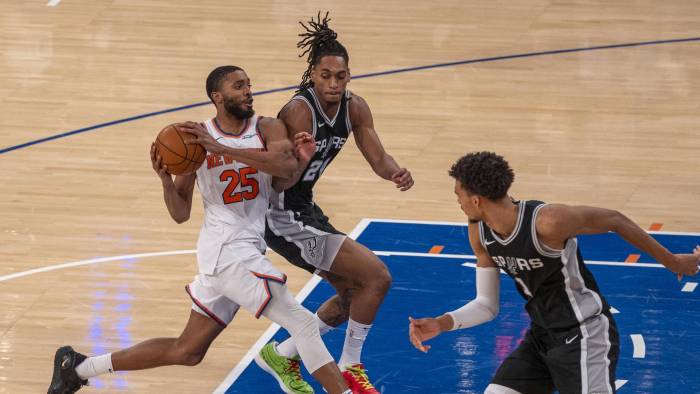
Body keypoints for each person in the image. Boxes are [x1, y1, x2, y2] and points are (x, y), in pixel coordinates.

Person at [47, 65, 352, 394]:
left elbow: (282, 173)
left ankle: (77, 368)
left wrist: (290, 159)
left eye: (248, 84)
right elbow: (180, 213)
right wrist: (166, 182)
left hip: (245, 246)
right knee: (302, 322)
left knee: (188, 350)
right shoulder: (193, 140)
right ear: (218, 97)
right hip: (226, 251)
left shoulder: (267, 127)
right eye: (238, 86)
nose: (248, 91)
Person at [407, 151, 700, 394]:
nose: (456, 201)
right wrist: (441, 323)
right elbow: (486, 305)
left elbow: (614, 219)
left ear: (476, 200)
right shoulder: (480, 234)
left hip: (585, 333)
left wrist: (673, 261)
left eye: (458, 194)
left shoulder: (547, 222)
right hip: (541, 337)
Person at [254, 12, 414, 394]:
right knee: (377, 276)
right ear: (312, 74)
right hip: (279, 215)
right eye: (325, 75)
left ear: (348, 76)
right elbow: (279, 176)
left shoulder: (355, 107)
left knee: (353, 295)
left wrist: (394, 172)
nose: (333, 83)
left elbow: (378, 156)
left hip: (304, 208)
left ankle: (281, 353)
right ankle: (350, 366)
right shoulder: (298, 111)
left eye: (340, 76)